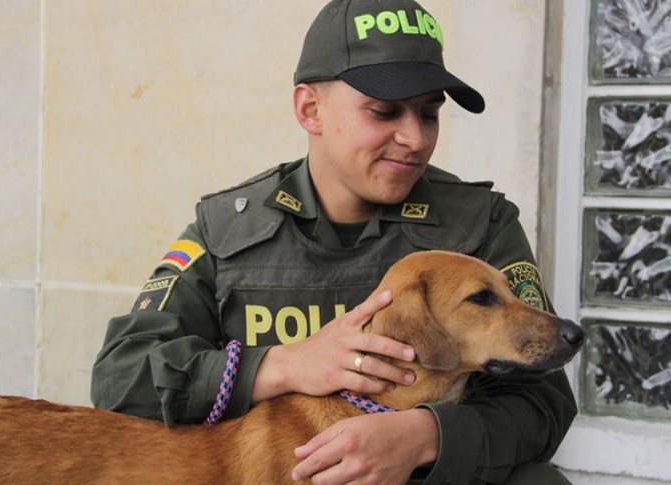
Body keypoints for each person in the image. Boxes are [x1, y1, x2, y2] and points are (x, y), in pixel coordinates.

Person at [91, 0, 577, 483]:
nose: (414, 138)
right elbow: (120, 378)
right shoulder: (229, 230)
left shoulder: (477, 225)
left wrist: (424, 437)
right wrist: (281, 366)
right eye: (384, 112)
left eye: (428, 114)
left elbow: (545, 402)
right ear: (310, 109)